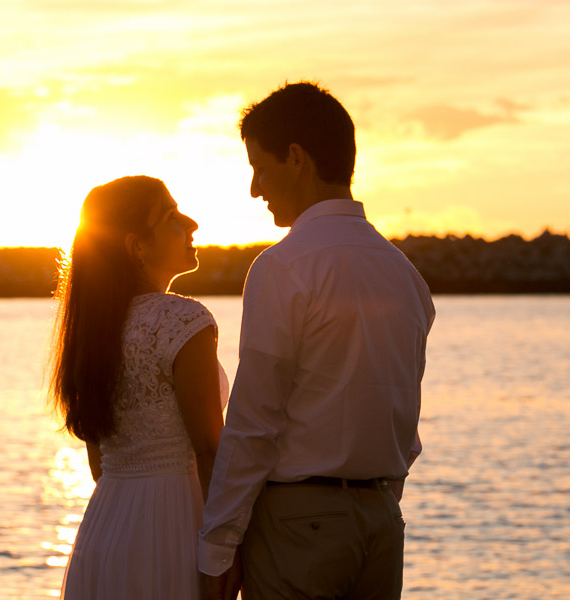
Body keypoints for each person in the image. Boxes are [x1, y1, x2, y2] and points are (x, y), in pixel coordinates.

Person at [199, 82, 436, 599]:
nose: (256, 188)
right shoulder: (404, 274)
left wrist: (218, 545)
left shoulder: (284, 267)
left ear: (296, 158)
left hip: (299, 526)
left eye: (259, 167)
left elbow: (255, 420)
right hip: (380, 525)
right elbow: (401, 414)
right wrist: (376, 500)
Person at [49, 176, 235, 599]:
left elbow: (100, 463)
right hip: (176, 526)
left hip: (106, 529)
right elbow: (209, 448)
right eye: (171, 216)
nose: (192, 224)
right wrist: (223, 550)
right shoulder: (183, 321)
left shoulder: (92, 333)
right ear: (137, 246)